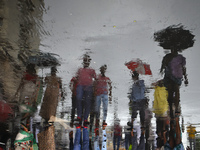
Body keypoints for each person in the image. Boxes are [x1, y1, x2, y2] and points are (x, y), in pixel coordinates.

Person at [160, 49, 188, 118]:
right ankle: (173, 109)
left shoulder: (175, 57)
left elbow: (183, 68)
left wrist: (185, 78)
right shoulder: (169, 57)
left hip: (174, 77)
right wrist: (185, 78)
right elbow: (164, 66)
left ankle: (175, 109)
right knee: (172, 93)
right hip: (171, 76)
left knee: (175, 92)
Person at [74, 54, 96, 127]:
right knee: (78, 98)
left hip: (89, 86)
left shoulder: (92, 70)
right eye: (85, 61)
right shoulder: (80, 70)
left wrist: (94, 88)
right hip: (81, 85)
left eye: (87, 61)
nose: (86, 63)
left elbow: (95, 79)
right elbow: (76, 77)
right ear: (83, 62)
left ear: (89, 62)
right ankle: (79, 116)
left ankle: (86, 118)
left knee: (87, 102)